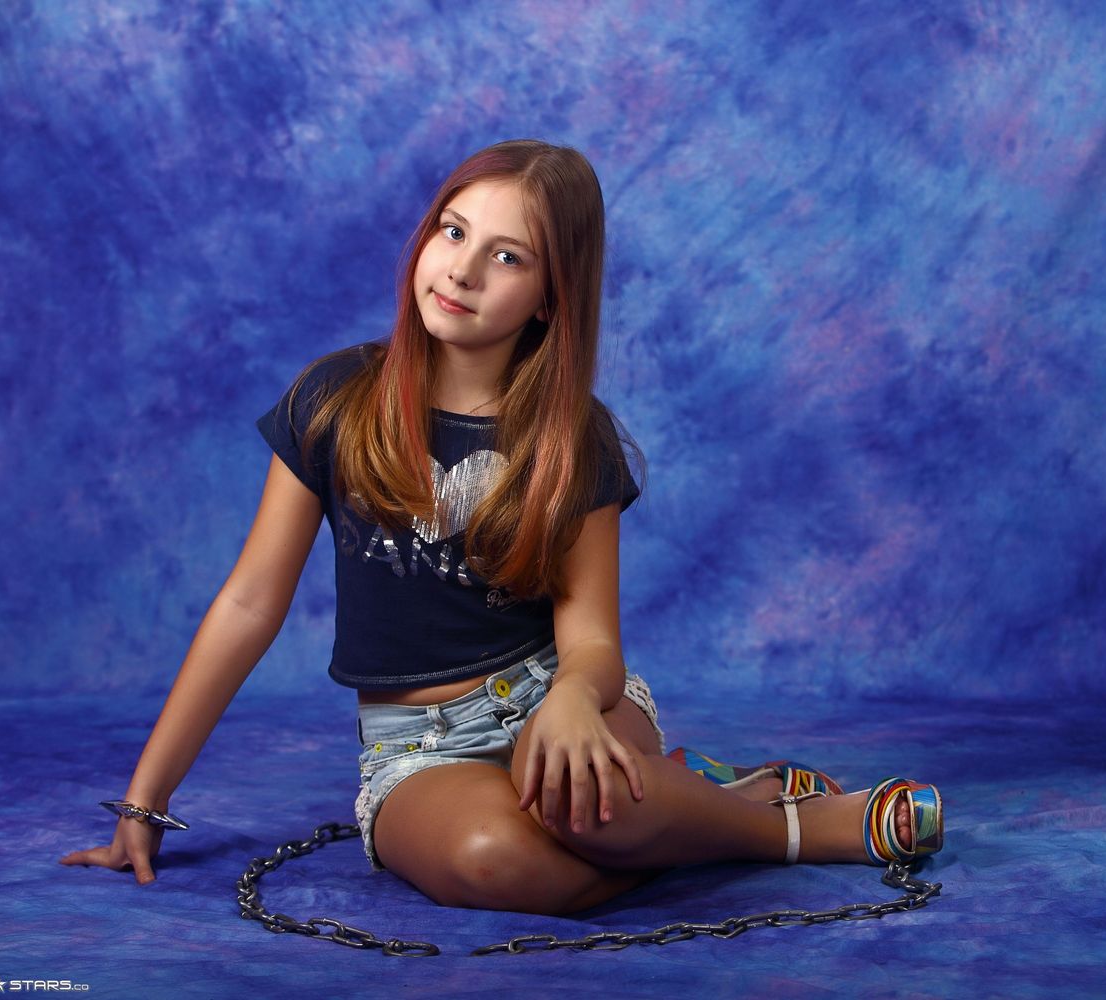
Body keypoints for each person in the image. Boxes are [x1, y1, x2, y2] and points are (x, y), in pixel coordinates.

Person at [59, 139, 942, 916]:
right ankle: (718, 806)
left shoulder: (574, 439)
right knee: (497, 861)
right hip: (417, 752)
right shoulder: (333, 402)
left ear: (551, 298)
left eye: (507, 256)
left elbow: (593, 644)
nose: (462, 271)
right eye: (452, 232)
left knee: (579, 802)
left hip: (560, 698)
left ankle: (792, 832)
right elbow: (249, 604)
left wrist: (572, 702)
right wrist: (146, 799)